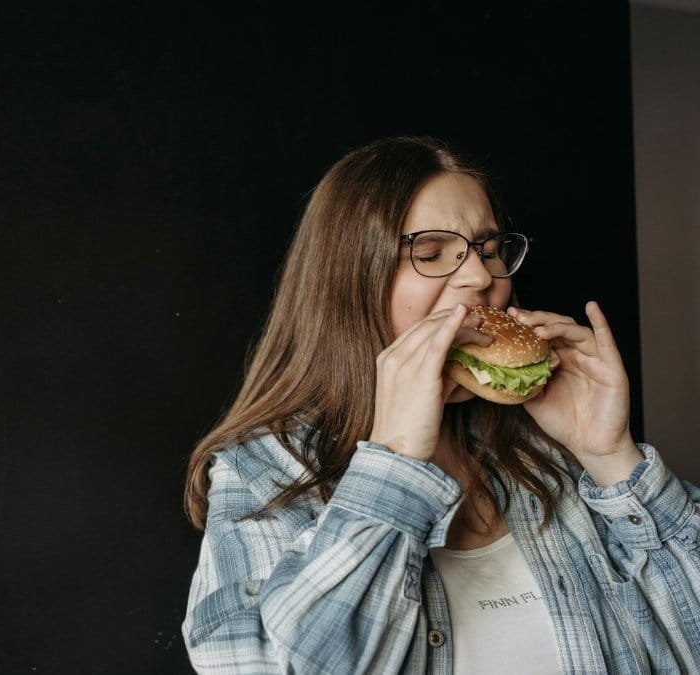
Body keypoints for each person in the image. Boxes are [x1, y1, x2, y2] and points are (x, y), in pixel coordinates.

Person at [180, 136, 700, 673]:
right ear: (348, 283)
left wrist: (612, 458)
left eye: (489, 250)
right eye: (430, 254)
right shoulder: (264, 468)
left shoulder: (554, 450)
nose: (480, 278)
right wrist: (396, 459)